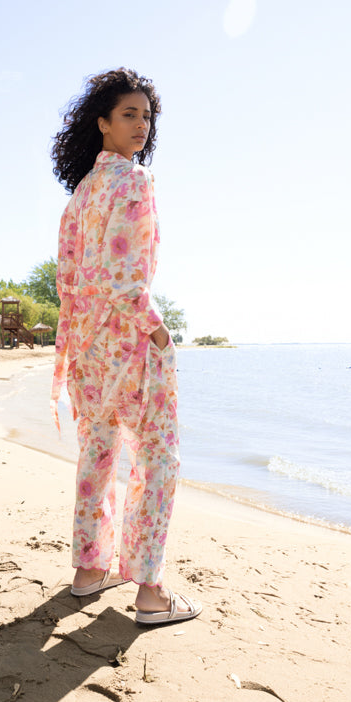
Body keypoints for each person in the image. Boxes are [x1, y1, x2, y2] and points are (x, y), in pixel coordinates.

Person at [51, 68, 201, 626]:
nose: (141, 126)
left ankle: (90, 570)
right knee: (159, 459)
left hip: (90, 348)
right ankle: (150, 592)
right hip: (131, 343)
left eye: (146, 116)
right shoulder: (134, 183)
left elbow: (67, 281)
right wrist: (158, 331)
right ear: (103, 123)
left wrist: (75, 345)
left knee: (99, 452)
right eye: (129, 115)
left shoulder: (81, 195)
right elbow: (124, 281)